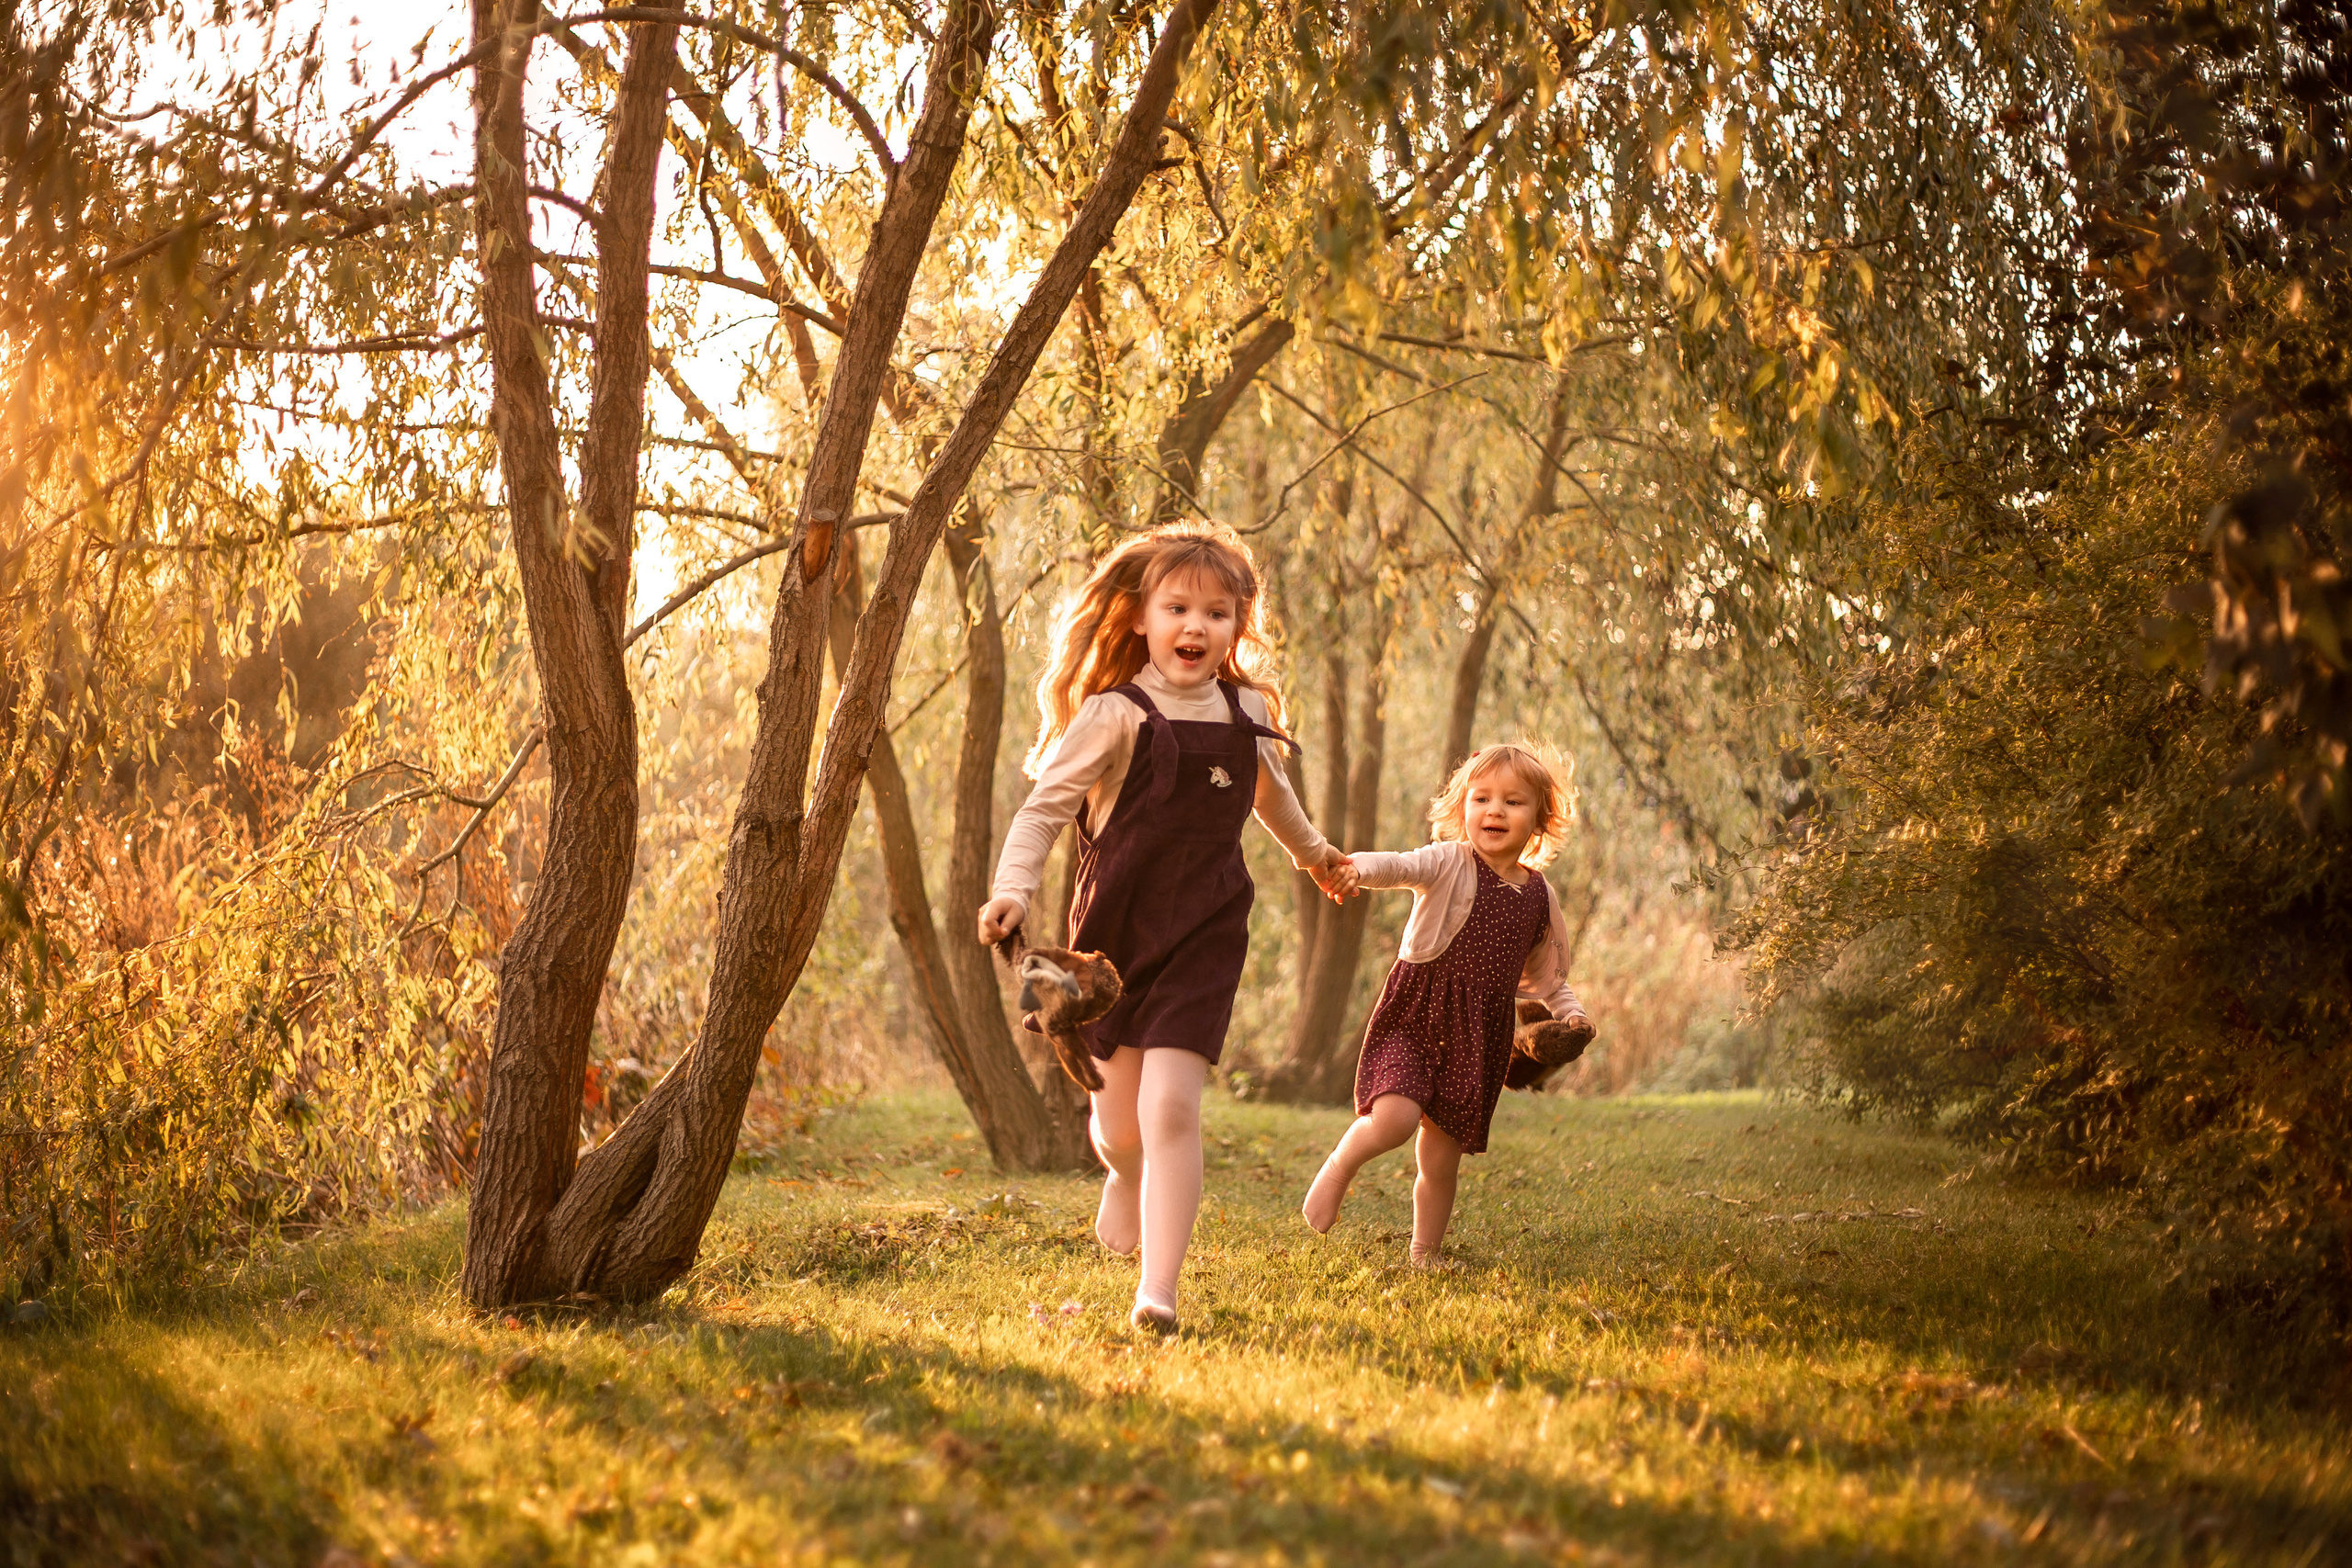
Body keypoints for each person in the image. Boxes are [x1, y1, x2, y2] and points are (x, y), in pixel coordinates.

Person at [978, 524, 1350, 1333]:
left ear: (1238, 625)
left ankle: (1160, 1292)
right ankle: (1124, 1176)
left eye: (1217, 613)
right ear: (1140, 617)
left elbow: (1270, 799)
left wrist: (1316, 855)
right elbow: (1043, 810)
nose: (1195, 626)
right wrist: (1012, 888)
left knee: (1172, 1108)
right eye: (1177, 607)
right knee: (1117, 1127)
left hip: (1206, 935)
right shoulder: (1116, 714)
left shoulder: (1245, 711)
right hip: (1110, 947)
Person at [1300, 741, 1591, 1266]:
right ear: (1463, 809)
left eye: (1512, 802)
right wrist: (1351, 869)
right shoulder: (1448, 862)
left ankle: (1424, 1252)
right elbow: (1395, 865)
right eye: (1481, 799)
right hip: (1418, 1011)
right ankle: (1340, 1167)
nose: (1495, 811)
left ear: (1541, 820)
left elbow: (1550, 978)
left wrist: (1573, 1016)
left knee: (1441, 1157)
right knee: (1394, 1119)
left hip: (1477, 1034)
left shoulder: (1539, 897)